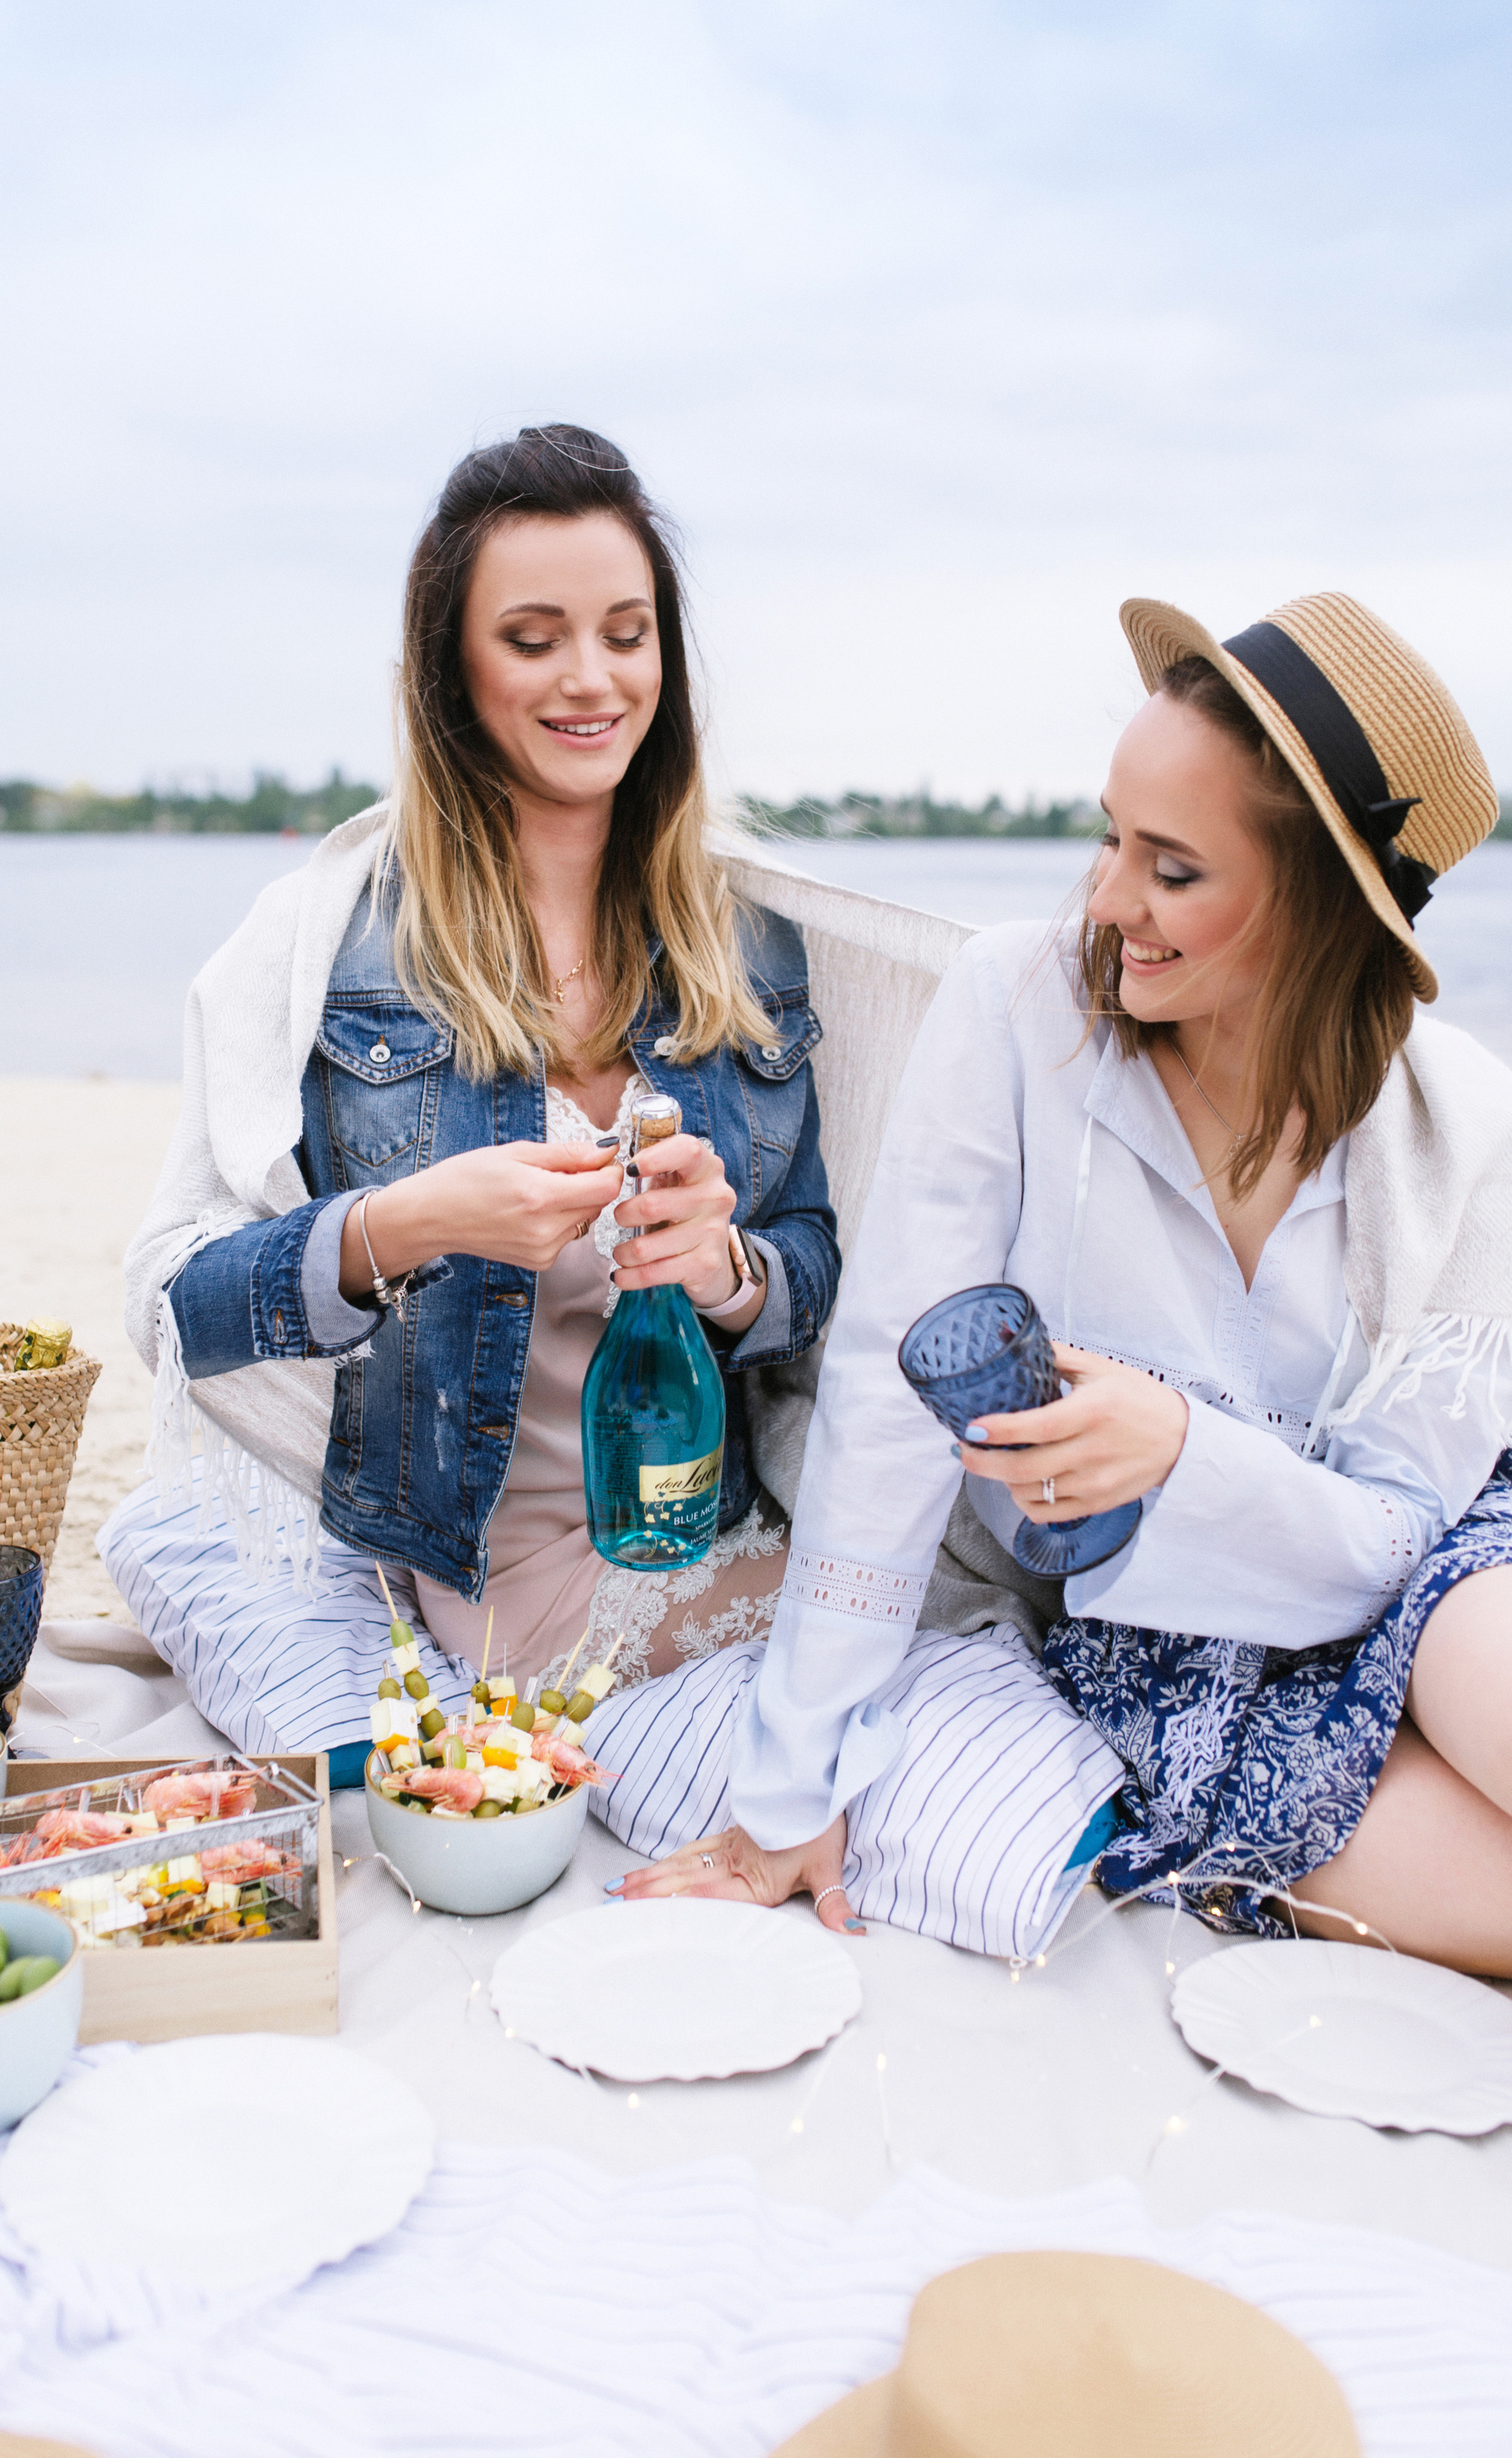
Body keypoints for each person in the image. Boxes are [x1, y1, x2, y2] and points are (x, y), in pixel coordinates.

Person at [619, 591, 1512, 1975]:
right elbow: (887, 1394)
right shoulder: (1013, 1004)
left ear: (1322, 908)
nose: (1105, 901)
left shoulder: (1464, 1126)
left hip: (1426, 1561)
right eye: (1110, 838)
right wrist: (790, 1792)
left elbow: (1400, 1536)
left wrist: (1180, 1449)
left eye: (1173, 869)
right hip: (1174, 1660)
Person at [117, 424, 837, 1757]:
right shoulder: (329, 947)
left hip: (699, 1525)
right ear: (453, 666)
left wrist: (728, 1267)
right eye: (532, 637)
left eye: (626, 633)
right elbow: (172, 1307)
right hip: (481, 1567)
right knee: (873, 1687)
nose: (591, 678)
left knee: (918, 1658)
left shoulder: (753, 945)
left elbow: (818, 1272)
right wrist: (407, 1225)